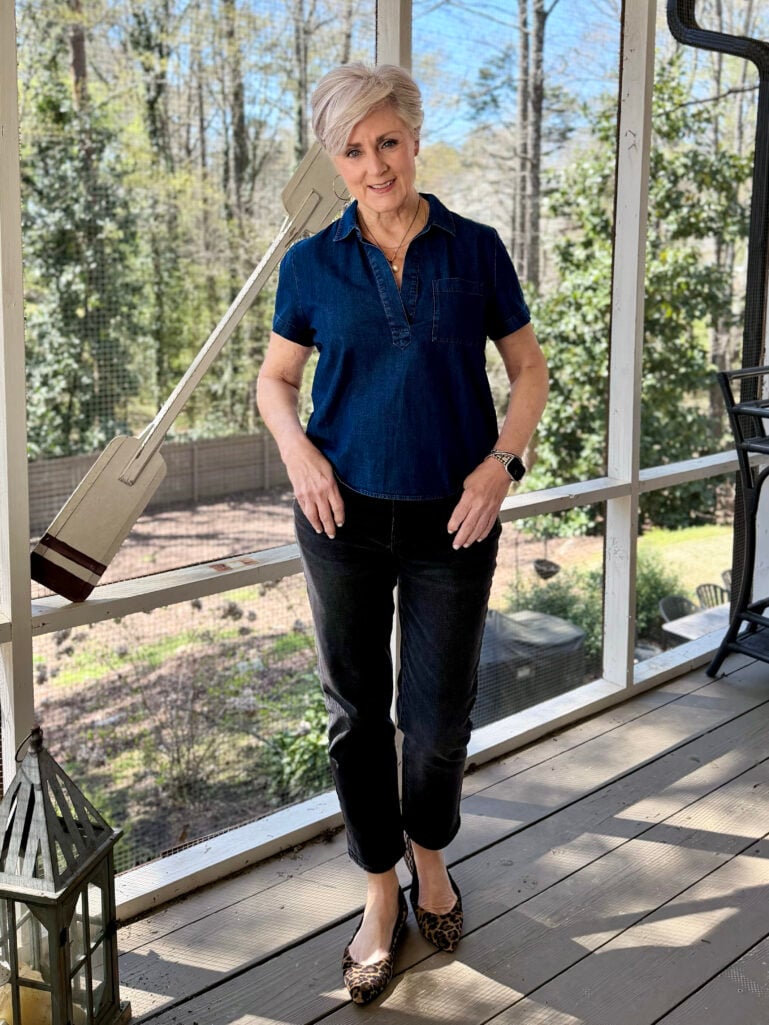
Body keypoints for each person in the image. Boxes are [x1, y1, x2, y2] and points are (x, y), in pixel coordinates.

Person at [257, 61, 548, 1005]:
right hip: (339, 516)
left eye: (387, 141)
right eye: (352, 150)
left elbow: (528, 371)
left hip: (451, 519)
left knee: (435, 719)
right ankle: (380, 890)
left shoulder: (476, 250)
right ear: (332, 160)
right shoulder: (311, 264)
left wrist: (500, 464)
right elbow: (275, 380)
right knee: (355, 713)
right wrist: (299, 456)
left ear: (415, 139)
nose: (374, 165)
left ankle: (431, 857)